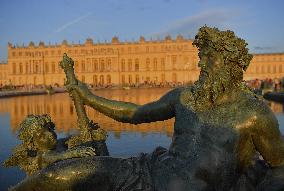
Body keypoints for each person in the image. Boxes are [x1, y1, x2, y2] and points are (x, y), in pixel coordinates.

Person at [11, 26, 284, 191]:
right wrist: (90, 97)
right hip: (147, 171)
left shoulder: (255, 114)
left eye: (208, 60)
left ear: (230, 64)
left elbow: (280, 166)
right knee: (58, 174)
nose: (201, 65)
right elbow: (134, 113)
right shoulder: (185, 96)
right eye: (201, 59)